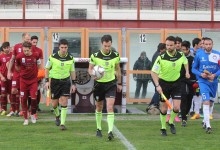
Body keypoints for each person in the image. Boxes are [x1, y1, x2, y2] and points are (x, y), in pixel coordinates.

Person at [151, 36, 190, 136]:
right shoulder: (161, 57)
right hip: (164, 84)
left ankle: (171, 122)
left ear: (175, 45)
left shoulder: (181, 55)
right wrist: (157, 85)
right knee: (164, 109)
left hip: (176, 83)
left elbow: (185, 62)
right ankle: (163, 128)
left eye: (171, 45)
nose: (169, 47)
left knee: (176, 108)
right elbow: (153, 72)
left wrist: (187, 72)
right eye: (167, 45)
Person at [88, 34, 122, 140]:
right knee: (99, 107)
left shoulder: (115, 55)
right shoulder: (95, 55)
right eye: (105, 46)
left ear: (111, 44)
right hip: (99, 85)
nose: (107, 48)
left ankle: (110, 131)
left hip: (111, 84)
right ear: (101, 44)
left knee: (110, 107)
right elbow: (89, 69)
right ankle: (98, 129)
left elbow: (117, 69)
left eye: (109, 46)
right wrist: (93, 74)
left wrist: (119, 83)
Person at [45, 39, 76, 130]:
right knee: (54, 104)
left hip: (66, 81)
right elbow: (46, 69)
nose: (63, 49)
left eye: (65, 47)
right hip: (54, 81)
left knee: (64, 101)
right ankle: (57, 115)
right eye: (62, 47)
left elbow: (72, 71)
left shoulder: (71, 58)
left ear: (67, 47)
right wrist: (47, 81)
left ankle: (62, 124)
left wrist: (74, 83)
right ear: (59, 47)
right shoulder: (53, 57)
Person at [192, 37, 220, 134]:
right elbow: (193, 69)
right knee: (206, 101)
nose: (208, 46)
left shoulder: (217, 54)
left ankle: (204, 121)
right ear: (203, 45)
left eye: (210, 44)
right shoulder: (199, 55)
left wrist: (215, 75)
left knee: (211, 102)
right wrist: (201, 74)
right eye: (206, 44)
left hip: (213, 82)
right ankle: (208, 125)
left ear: (212, 44)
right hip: (203, 81)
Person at [15, 41, 41, 125]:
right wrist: (22, 73)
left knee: (34, 99)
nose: (26, 52)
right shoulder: (19, 57)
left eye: (27, 50)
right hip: (23, 81)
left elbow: (39, 64)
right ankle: (26, 119)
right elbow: (17, 66)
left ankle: (33, 114)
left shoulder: (36, 55)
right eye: (24, 50)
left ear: (31, 49)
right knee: (23, 99)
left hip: (33, 81)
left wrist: (40, 74)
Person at [7, 32, 31, 116]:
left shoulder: (31, 48)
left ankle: (24, 110)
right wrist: (9, 71)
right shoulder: (17, 47)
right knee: (13, 90)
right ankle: (13, 110)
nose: (29, 41)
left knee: (23, 93)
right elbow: (12, 59)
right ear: (23, 39)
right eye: (27, 39)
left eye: (29, 39)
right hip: (16, 73)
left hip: (25, 74)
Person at [179, 41, 196, 126]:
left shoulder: (193, 58)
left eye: (184, 50)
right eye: (181, 50)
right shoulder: (179, 57)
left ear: (188, 49)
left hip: (192, 81)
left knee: (190, 98)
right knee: (184, 96)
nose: (182, 52)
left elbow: (196, 69)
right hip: (182, 80)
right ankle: (183, 118)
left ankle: (185, 113)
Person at [146, 43, 166, 113]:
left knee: (158, 90)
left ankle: (152, 104)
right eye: (165, 49)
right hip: (157, 76)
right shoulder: (159, 55)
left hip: (155, 75)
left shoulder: (156, 54)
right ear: (161, 49)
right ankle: (154, 104)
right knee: (159, 90)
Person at [27, 35, 44, 116]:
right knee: (28, 91)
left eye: (36, 42)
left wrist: (42, 73)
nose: (34, 44)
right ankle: (28, 106)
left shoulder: (39, 50)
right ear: (30, 41)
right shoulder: (27, 50)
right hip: (28, 73)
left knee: (37, 90)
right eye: (33, 42)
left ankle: (36, 105)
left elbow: (41, 62)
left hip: (36, 73)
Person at [0, 42, 13, 116]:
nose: (7, 49)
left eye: (8, 47)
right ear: (3, 48)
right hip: (4, 78)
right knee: (3, 94)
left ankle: (12, 109)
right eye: (5, 48)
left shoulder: (12, 55)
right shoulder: (1, 56)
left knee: (12, 93)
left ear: (9, 47)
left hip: (11, 78)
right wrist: (1, 76)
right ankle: (3, 109)